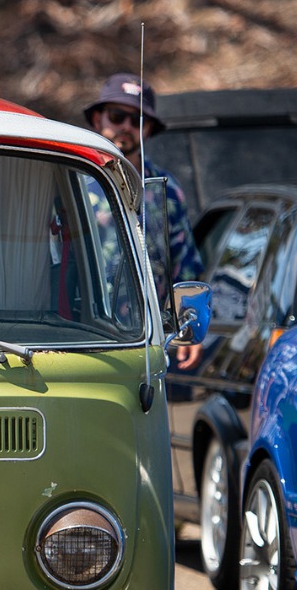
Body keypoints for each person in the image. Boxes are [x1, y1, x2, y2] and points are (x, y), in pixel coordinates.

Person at [83, 73, 205, 369]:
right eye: (117, 115)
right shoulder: (73, 181)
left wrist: (190, 327)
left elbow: (184, 263)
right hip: (85, 337)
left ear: (148, 129)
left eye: (137, 120)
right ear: (99, 119)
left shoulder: (167, 190)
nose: (126, 126)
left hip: (149, 341)